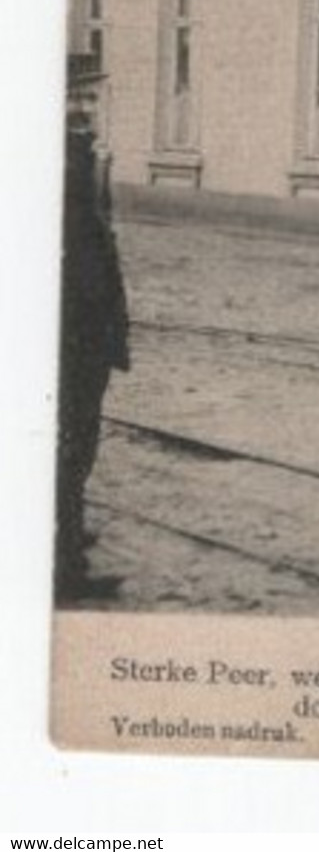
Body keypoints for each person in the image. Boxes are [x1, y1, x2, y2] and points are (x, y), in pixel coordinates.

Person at [56, 56, 130, 605]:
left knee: (76, 441)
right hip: (69, 333)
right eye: (76, 102)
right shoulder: (62, 165)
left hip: (87, 329)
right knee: (69, 442)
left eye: (92, 100)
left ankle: (66, 536)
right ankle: (63, 565)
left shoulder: (86, 160)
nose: (87, 111)